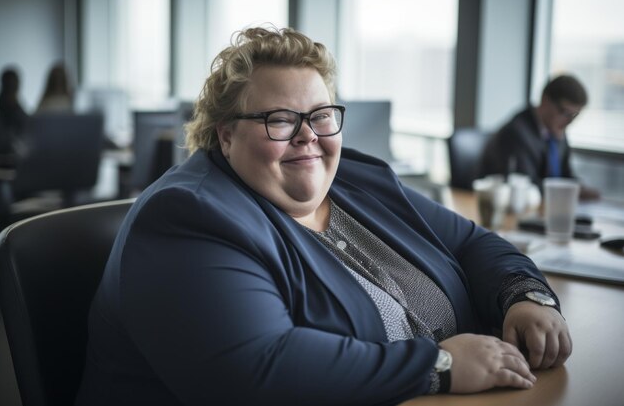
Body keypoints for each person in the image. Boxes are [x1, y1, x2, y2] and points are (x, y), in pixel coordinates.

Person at [76, 27, 571, 405]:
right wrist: (438, 365)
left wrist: (524, 298)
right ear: (225, 136)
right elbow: (258, 370)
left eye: (319, 115)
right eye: (279, 119)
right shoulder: (189, 215)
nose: (307, 136)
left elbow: (471, 243)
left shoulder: (357, 179)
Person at [479, 74, 600, 200]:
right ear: (545, 101)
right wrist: (571, 191)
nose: (569, 122)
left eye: (574, 115)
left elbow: (565, 175)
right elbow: (526, 188)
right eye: (565, 113)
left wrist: (579, 188)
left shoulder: (556, 131)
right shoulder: (517, 133)